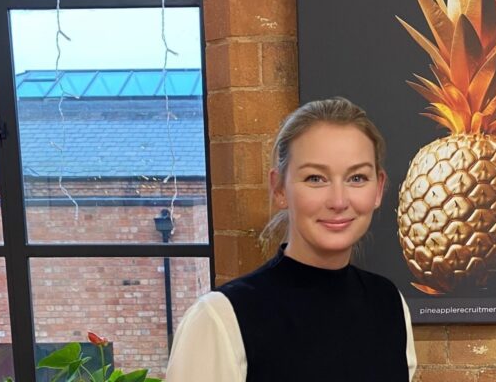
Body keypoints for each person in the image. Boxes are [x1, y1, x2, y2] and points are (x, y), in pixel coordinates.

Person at [165, 97, 417, 381]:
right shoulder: (219, 318)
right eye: (315, 178)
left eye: (356, 178)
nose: (338, 201)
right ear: (279, 189)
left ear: (378, 189)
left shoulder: (389, 304)